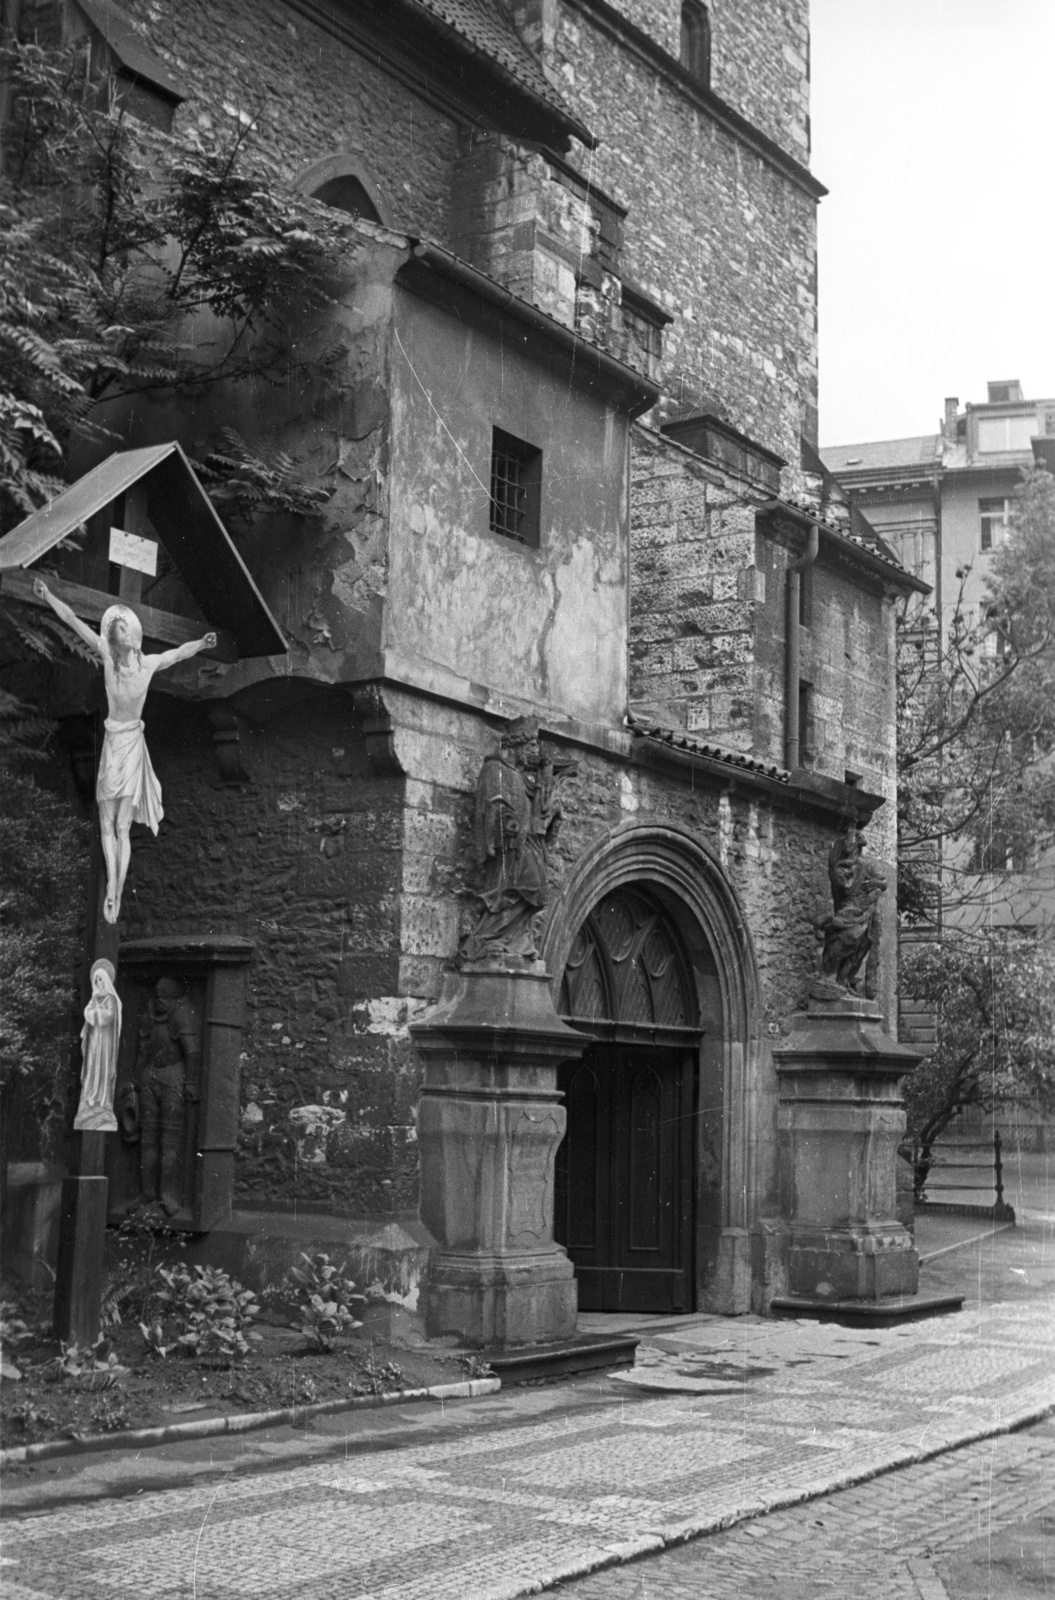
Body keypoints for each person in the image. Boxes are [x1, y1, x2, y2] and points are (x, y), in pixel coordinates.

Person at [33, 580, 216, 924]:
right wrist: (48, 596)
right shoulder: (106, 655)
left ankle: (117, 887)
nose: (126, 633)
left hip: (132, 742)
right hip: (114, 743)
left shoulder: (148, 665)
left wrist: (202, 643)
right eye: (120, 630)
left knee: (121, 825)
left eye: (127, 628)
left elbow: (179, 654)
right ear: (117, 639)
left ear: (134, 635)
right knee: (106, 823)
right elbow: (73, 620)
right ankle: (113, 890)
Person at [74, 959, 122, 1132]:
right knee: (92, 1066)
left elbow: (110, 1016)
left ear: (106, 980)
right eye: (95, 980)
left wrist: (95, 1014)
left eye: (100, 979)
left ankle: (102, 1098)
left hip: (105, 1040)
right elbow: (87, 1012)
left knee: (102, 1068)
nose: (98, 983)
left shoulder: (110, 998)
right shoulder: (94, 998)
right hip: (94, 1039)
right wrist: (93, 1012)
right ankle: (91, 1097)